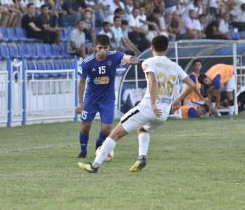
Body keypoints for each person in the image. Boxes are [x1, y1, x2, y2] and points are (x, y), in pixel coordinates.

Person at [78, 35, 195, 173]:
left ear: (151, 47)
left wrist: (152, 104)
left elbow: (152, 81)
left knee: (114, 134)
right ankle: (142, 158)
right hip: (163, 113)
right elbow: (192, 85)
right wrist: (177, 100)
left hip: (148, 108)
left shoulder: (149, 62)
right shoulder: (174, 66)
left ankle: (94, 166)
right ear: (167, 48)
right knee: (143, 129)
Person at [76, 34, 139, 159]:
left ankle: (99, 147)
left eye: (105, 48)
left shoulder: (115, 55)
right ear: (95, 47)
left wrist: (131, 61)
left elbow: (134, 59)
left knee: (106, 129)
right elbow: (81, 82)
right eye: (100, 48)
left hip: (108, 100)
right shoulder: (87, 63)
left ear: (109, 47)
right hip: (91, 100)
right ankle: (83, 151)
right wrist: (81, 103)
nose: (103, 51)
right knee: (85, 126)